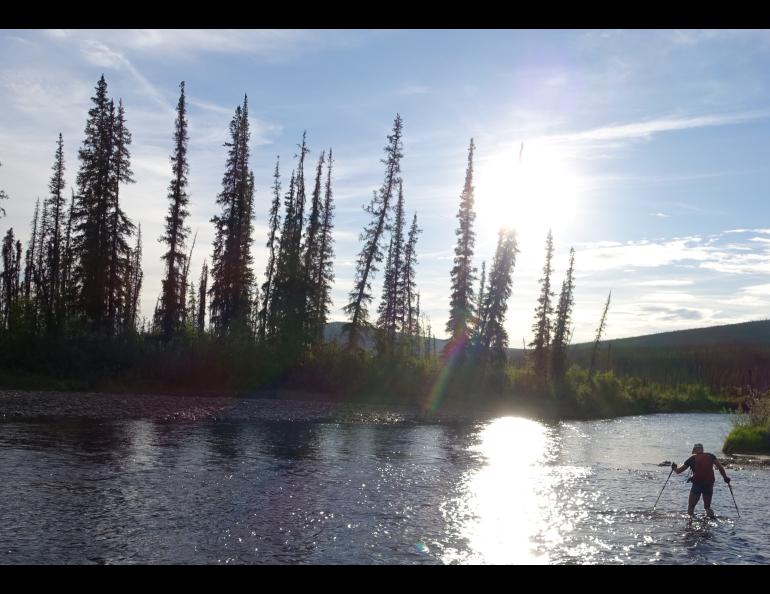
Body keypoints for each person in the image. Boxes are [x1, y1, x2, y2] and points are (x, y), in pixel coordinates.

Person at [671, 443, 730, 518]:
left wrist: (674, 467)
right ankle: (711, 520)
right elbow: (720, 468)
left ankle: (690, 522)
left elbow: (679, 471)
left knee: (691, 507)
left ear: (695, 450)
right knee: (707, 507)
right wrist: (725, 478)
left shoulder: (692, 458)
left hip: (697, 484)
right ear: (702, 449)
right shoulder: (711, 456)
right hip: (709, 484)